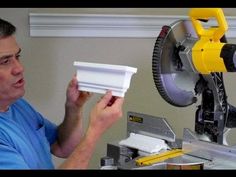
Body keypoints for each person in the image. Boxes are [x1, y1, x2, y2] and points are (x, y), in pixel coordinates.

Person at [0, 18, 124, 169]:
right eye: (5, 61)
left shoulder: (17, 104)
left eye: (17, 57)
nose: (19, 68)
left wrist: (73, 107)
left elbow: (62, 147)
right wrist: (95, 130)